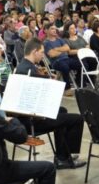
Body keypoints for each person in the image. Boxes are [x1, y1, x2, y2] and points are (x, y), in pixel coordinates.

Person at [14, 39, 85, 169]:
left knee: (62, 111)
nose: (43, 55)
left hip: (24, 116)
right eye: (41, 52)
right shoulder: (30, 71)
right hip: (33, 119)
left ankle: (62, 156)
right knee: (77, 119)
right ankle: (67, 156)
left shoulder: (22, 66)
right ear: (34, 51)